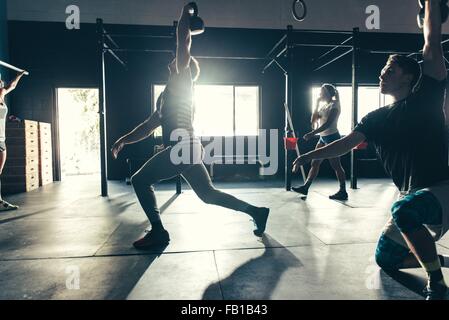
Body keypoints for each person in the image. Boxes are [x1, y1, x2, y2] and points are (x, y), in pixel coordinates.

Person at [293, 0, 449, 300]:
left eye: (389, 70)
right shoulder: (375, 119)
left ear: (409, 78)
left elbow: (432, 42)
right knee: (385, 259)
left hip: (442, 188)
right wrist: (308, 154)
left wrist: (430, 3)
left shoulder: (427, 97)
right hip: (414, 193)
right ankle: (438, 260)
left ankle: (436, 283)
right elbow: (343, 144)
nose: (382, 73)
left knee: (404, 210)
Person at [111, 3, 269, 250]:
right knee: (208, 195)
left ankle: (158, 232)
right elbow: (147, 126)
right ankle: (256, 212)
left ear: (184, 68)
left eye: (177, 59)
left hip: (183, 148)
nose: (172, 60)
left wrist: (186, 12)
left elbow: (183, 41)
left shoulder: (182, 80)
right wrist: (124, 139)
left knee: (140, 180)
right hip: (189, 149)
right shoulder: (166, 97)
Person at [292, 84, 348, 200]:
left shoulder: (335, 104)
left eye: (322, 92)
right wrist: (317, 104)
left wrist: (313, 134)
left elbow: (328, 124)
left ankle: (343, 191)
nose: (320, 94)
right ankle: (306, 187)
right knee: (315, 163)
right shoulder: (324, 106)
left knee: (336, 165)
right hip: (323, 137)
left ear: (328, 93)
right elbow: (313, 120)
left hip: (332, 137)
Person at [0, 71, 26, 212]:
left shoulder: (2, 97)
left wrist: (19, 75)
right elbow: (10, 86)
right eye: (0, 84)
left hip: (2, 140)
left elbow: (13, 85)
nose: (2, 86)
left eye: (2, 84)